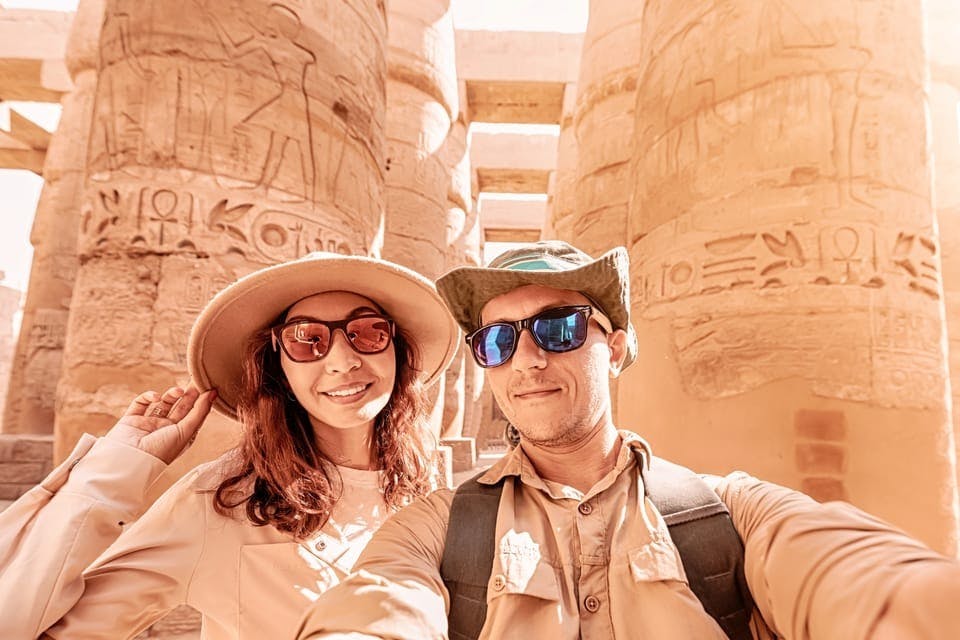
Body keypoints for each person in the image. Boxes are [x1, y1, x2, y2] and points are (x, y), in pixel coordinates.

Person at [295, 241, 960, 640]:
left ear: (614, 348)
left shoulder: (728, 515)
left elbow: (866, 581)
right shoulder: (433, 529)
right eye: (498, 341)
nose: (526, 360)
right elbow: (378, 607)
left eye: (558, 329)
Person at [0, 251, 459, 639]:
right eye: (307, 340)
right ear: (277, 366)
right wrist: (114, 470)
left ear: (396, 349)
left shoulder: (427, 485)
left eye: (367, 332)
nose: (343, 359)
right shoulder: (219, 502)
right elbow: (20, 624)